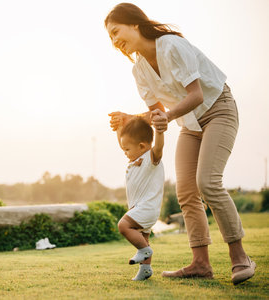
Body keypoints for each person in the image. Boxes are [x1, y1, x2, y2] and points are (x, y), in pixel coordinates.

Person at [104, 3, 255, 285]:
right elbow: (156, 113)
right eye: (110, 38)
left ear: (135, 24)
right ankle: (200, 263)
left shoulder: (171, 45)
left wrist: (169, 115)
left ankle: (240, 258)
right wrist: (130, 117)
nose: (115, 41)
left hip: (217, 109)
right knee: (186, 192)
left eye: (116, 32)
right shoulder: (138, 71)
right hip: (189, 124)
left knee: (207, 183)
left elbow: (196, 95)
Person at [116, 117, 164, 281]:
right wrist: (119, 128)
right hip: (139, 208)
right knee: (143, 238)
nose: (125, 152)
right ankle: (145, 270)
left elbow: (158, 147)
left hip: (147, 208)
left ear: (142, 146)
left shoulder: (151, 159)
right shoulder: (135, 159)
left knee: (123, 225)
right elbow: (125, 143)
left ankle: (145, 251)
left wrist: (159, 130)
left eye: (127, 149)